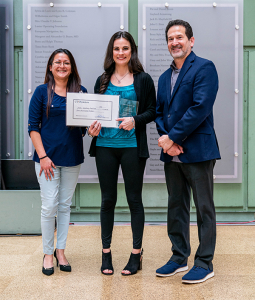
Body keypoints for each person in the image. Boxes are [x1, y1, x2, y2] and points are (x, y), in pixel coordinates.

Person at [155, 20, 221, 284]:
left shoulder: (204, 68)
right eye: (170, 38)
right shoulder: (163, 77)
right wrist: (168, 141)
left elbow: (200, 107)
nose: (175, 42)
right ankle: (179, 257)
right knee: (176, 205)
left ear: (191, 41)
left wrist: (172, 137)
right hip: (172, 154)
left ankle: (204, 263)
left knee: (204, 208)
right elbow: (160, 113)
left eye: (179, 37)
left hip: (198, 150)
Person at [28, 48, 101, 276]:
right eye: (57, 62)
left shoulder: (81, 92)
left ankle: (61, 251)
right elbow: (33, 128)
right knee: (49, 206)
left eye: (66, 62)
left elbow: (81, 131)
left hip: (71, 158)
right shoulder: (41, 92)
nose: (62, 65)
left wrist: (91, 131)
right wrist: (43, 156)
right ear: (50, 67)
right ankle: (47, 253)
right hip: (46, 160)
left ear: (72, 67)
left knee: (64, 206)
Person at [89, 31, 156, 276]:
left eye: (125, 48)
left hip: (132, 148)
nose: (120, 53)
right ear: (111, 52)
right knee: (107, 201)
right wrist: (92, 127)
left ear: (132, 51)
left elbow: (152, 111)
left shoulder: (143, 79)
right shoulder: (102, 80)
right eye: (116, 48)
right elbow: (95, 113)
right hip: (106, 146)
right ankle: (106, 254)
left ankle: (136, 254)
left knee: (134, 200)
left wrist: (135, 120)